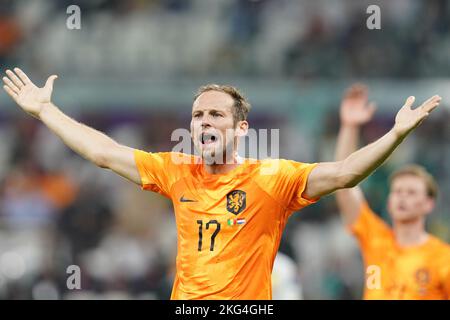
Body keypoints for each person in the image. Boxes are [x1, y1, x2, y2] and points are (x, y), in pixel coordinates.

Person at [2, 68, 442, 299]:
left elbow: (347, 172)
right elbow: (103, 153)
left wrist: (396, 133)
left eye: (216, 114)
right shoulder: (176, 170)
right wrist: (46, 112)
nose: (204, 121)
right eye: (198, 115)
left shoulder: (273, 178)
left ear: (241, 128)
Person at [335, 84, 450, 300]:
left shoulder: (443, 258)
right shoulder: (375, 239)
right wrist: (349, 127)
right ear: (389, 201)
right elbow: (343, 185)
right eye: (397, 192)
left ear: (429, 204)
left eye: (411, 192)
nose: (402, 197)